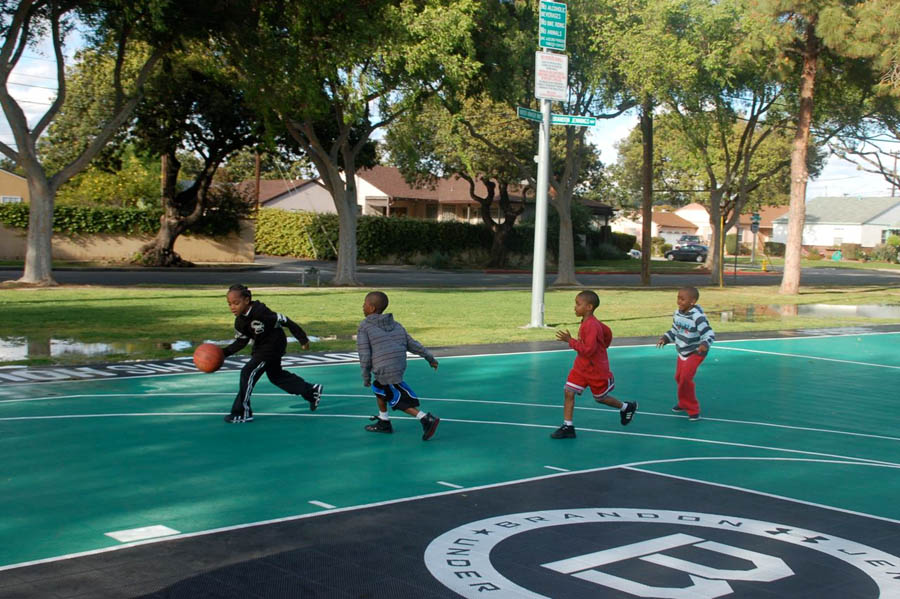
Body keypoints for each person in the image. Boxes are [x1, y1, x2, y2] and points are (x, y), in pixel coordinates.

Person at [221, 284, 322, 423]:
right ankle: (311, 391)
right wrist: (222, 353)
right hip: (261, 347)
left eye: (236, 303)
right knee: (276, 376)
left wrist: (302, 338)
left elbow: (286, 320)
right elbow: (241, 342)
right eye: (229, 304)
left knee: (248, 372)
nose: (232, 307)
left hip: (273, 345)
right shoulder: (239, 322)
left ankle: (242, 412)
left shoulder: (261, 312)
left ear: (246, 300)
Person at [552, 290, 637, 439]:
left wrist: (570, 341)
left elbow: (589, 350)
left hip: (595, 369)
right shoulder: (589, 322)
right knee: (568, 392)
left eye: (578, 304)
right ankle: (568, 426)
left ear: (589, 307)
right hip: (581, 367)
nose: (575, 307)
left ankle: (626, 407)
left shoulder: (591, 325)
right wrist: (604, 345)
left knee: (600, 398)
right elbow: (607, 332)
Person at [357, 291, 440, 440]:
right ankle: (384, 421)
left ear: (372, 308)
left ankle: (425, 418)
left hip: (384, 367)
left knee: (395, 397)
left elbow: (364, 355)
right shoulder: (396, 325)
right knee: (379, 389)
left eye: (364, 304)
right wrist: (429, 358)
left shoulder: (365, 327)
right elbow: (412, 344)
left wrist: (365, 376)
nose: (362, 307)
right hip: (398, 363)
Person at [657, 286, 715, 421]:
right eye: (678, 298)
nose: (679, 301)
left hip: (696, 352)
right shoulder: (677, 313)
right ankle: (683, 402)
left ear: (692, 302)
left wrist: (704, 344)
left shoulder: (697, 317)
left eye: (682, 299)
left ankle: (693, 408)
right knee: (678, 378)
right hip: (682, 351)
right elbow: (674, 330)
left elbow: (709, 333)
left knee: (685, 379)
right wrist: (666, 338)